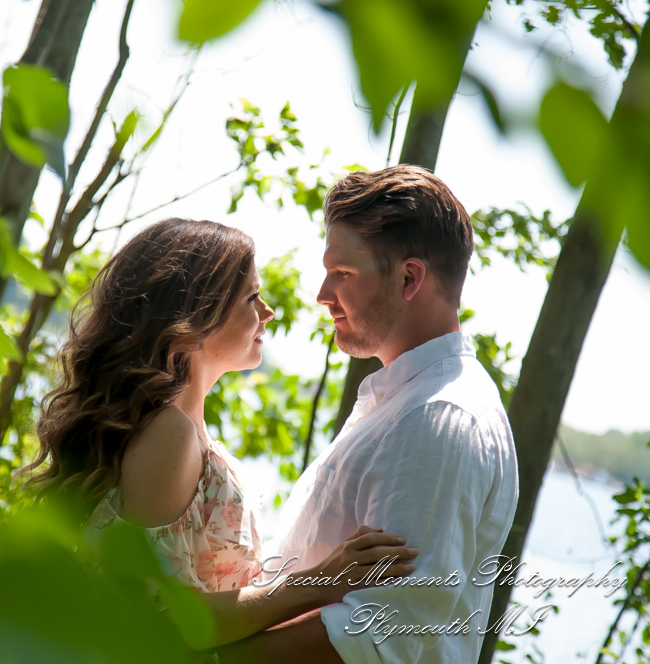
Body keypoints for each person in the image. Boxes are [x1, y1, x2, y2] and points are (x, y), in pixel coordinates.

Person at [25, 217, 419, 649]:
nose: (268, 312)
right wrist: (319, 582)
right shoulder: (168, 432)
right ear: (195, 313)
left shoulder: (178, 428)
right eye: (251, 296)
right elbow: (154, 619)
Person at [218, 165, 519, 663]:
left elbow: (377, 635)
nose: (322, 295)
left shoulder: (436, 418)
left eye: (343, 274)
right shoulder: (403, 402)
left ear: (409, 278)